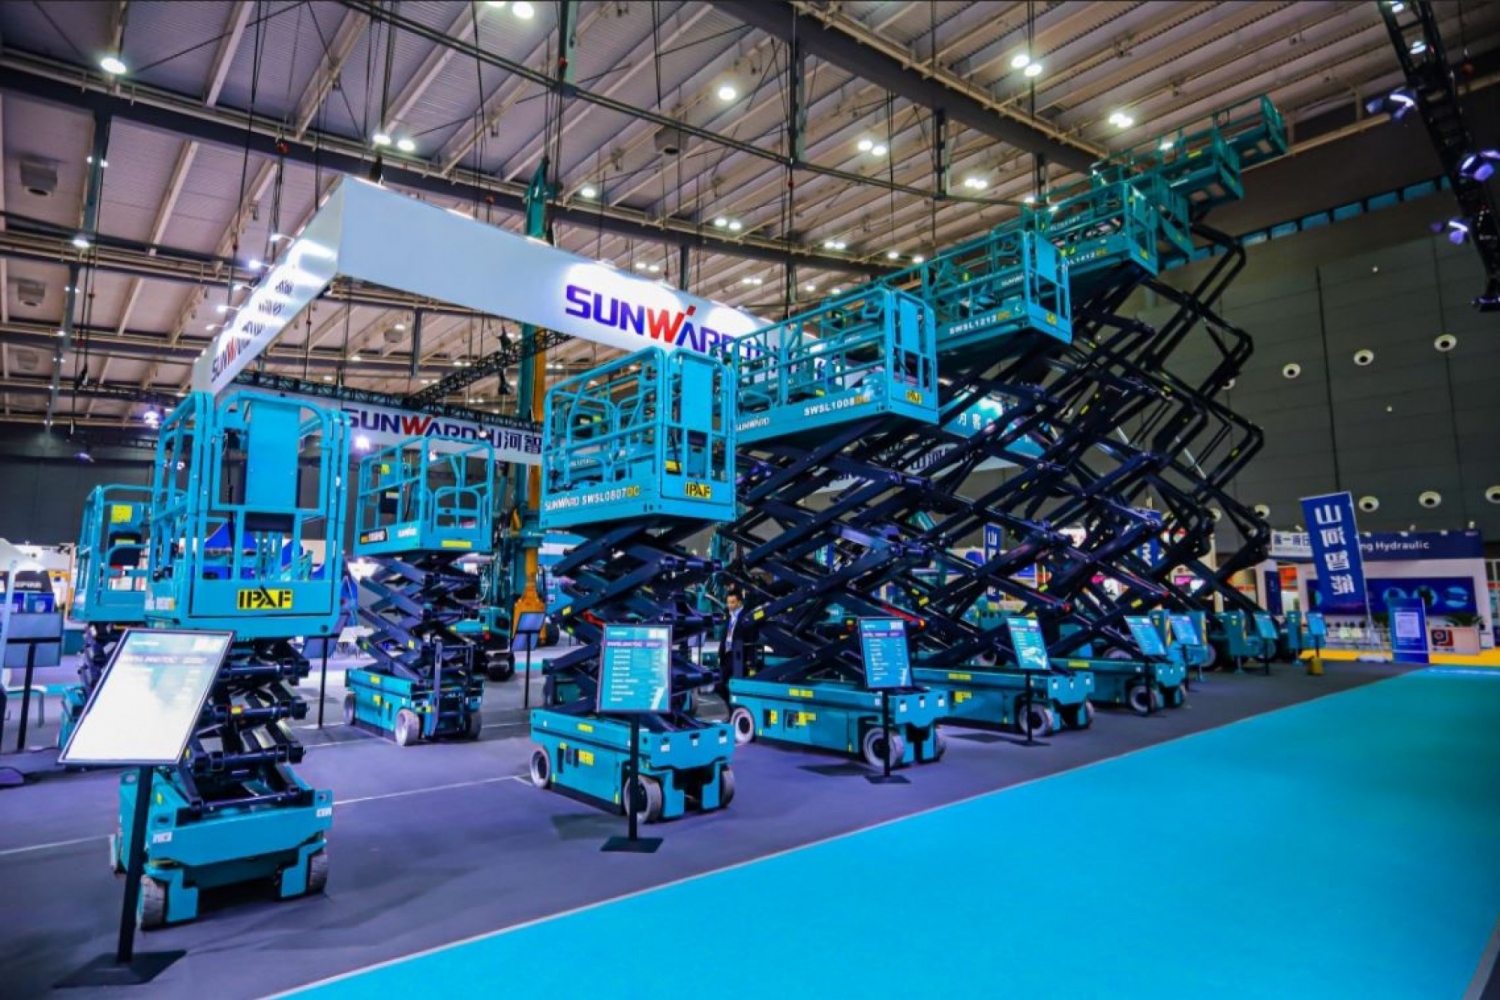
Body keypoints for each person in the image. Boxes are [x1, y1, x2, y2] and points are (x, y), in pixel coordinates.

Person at [716, 591, 747, 704]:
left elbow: (750, 636)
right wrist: (720, 654)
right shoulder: (729, 615)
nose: (729, 605)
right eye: (728, 602)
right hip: (727, 655)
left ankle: (736, 707)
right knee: (718, 685)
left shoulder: (745, 616)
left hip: (739, 656)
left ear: (739, 602)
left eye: (732, 602)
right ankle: (731, 707)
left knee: (739, 686)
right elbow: (724, 637)